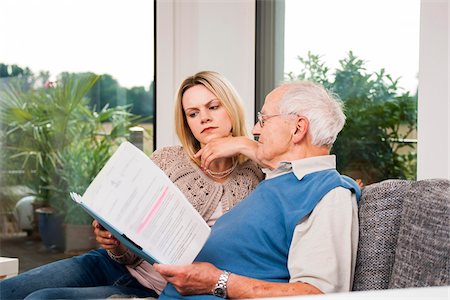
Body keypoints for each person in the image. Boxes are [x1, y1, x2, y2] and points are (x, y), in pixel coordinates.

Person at [0, 71, 264, 300]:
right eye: (193, 113)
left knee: (41, 299)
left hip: (156, 289)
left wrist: (245, 144)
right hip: (111, 264)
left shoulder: (258, 173)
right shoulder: (167, 159)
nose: (203, 118)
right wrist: (114, 243)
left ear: (231, 107)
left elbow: (300, 169)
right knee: (7, 291)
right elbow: (131, 243)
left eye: (213, 107)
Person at [154, 80, 361, 299]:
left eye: (263, 120)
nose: (254, 130)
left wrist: (217, 281)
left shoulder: (329, 193)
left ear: (298, 128)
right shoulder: (276, 180)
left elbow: (318, 294)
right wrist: (243, 145)